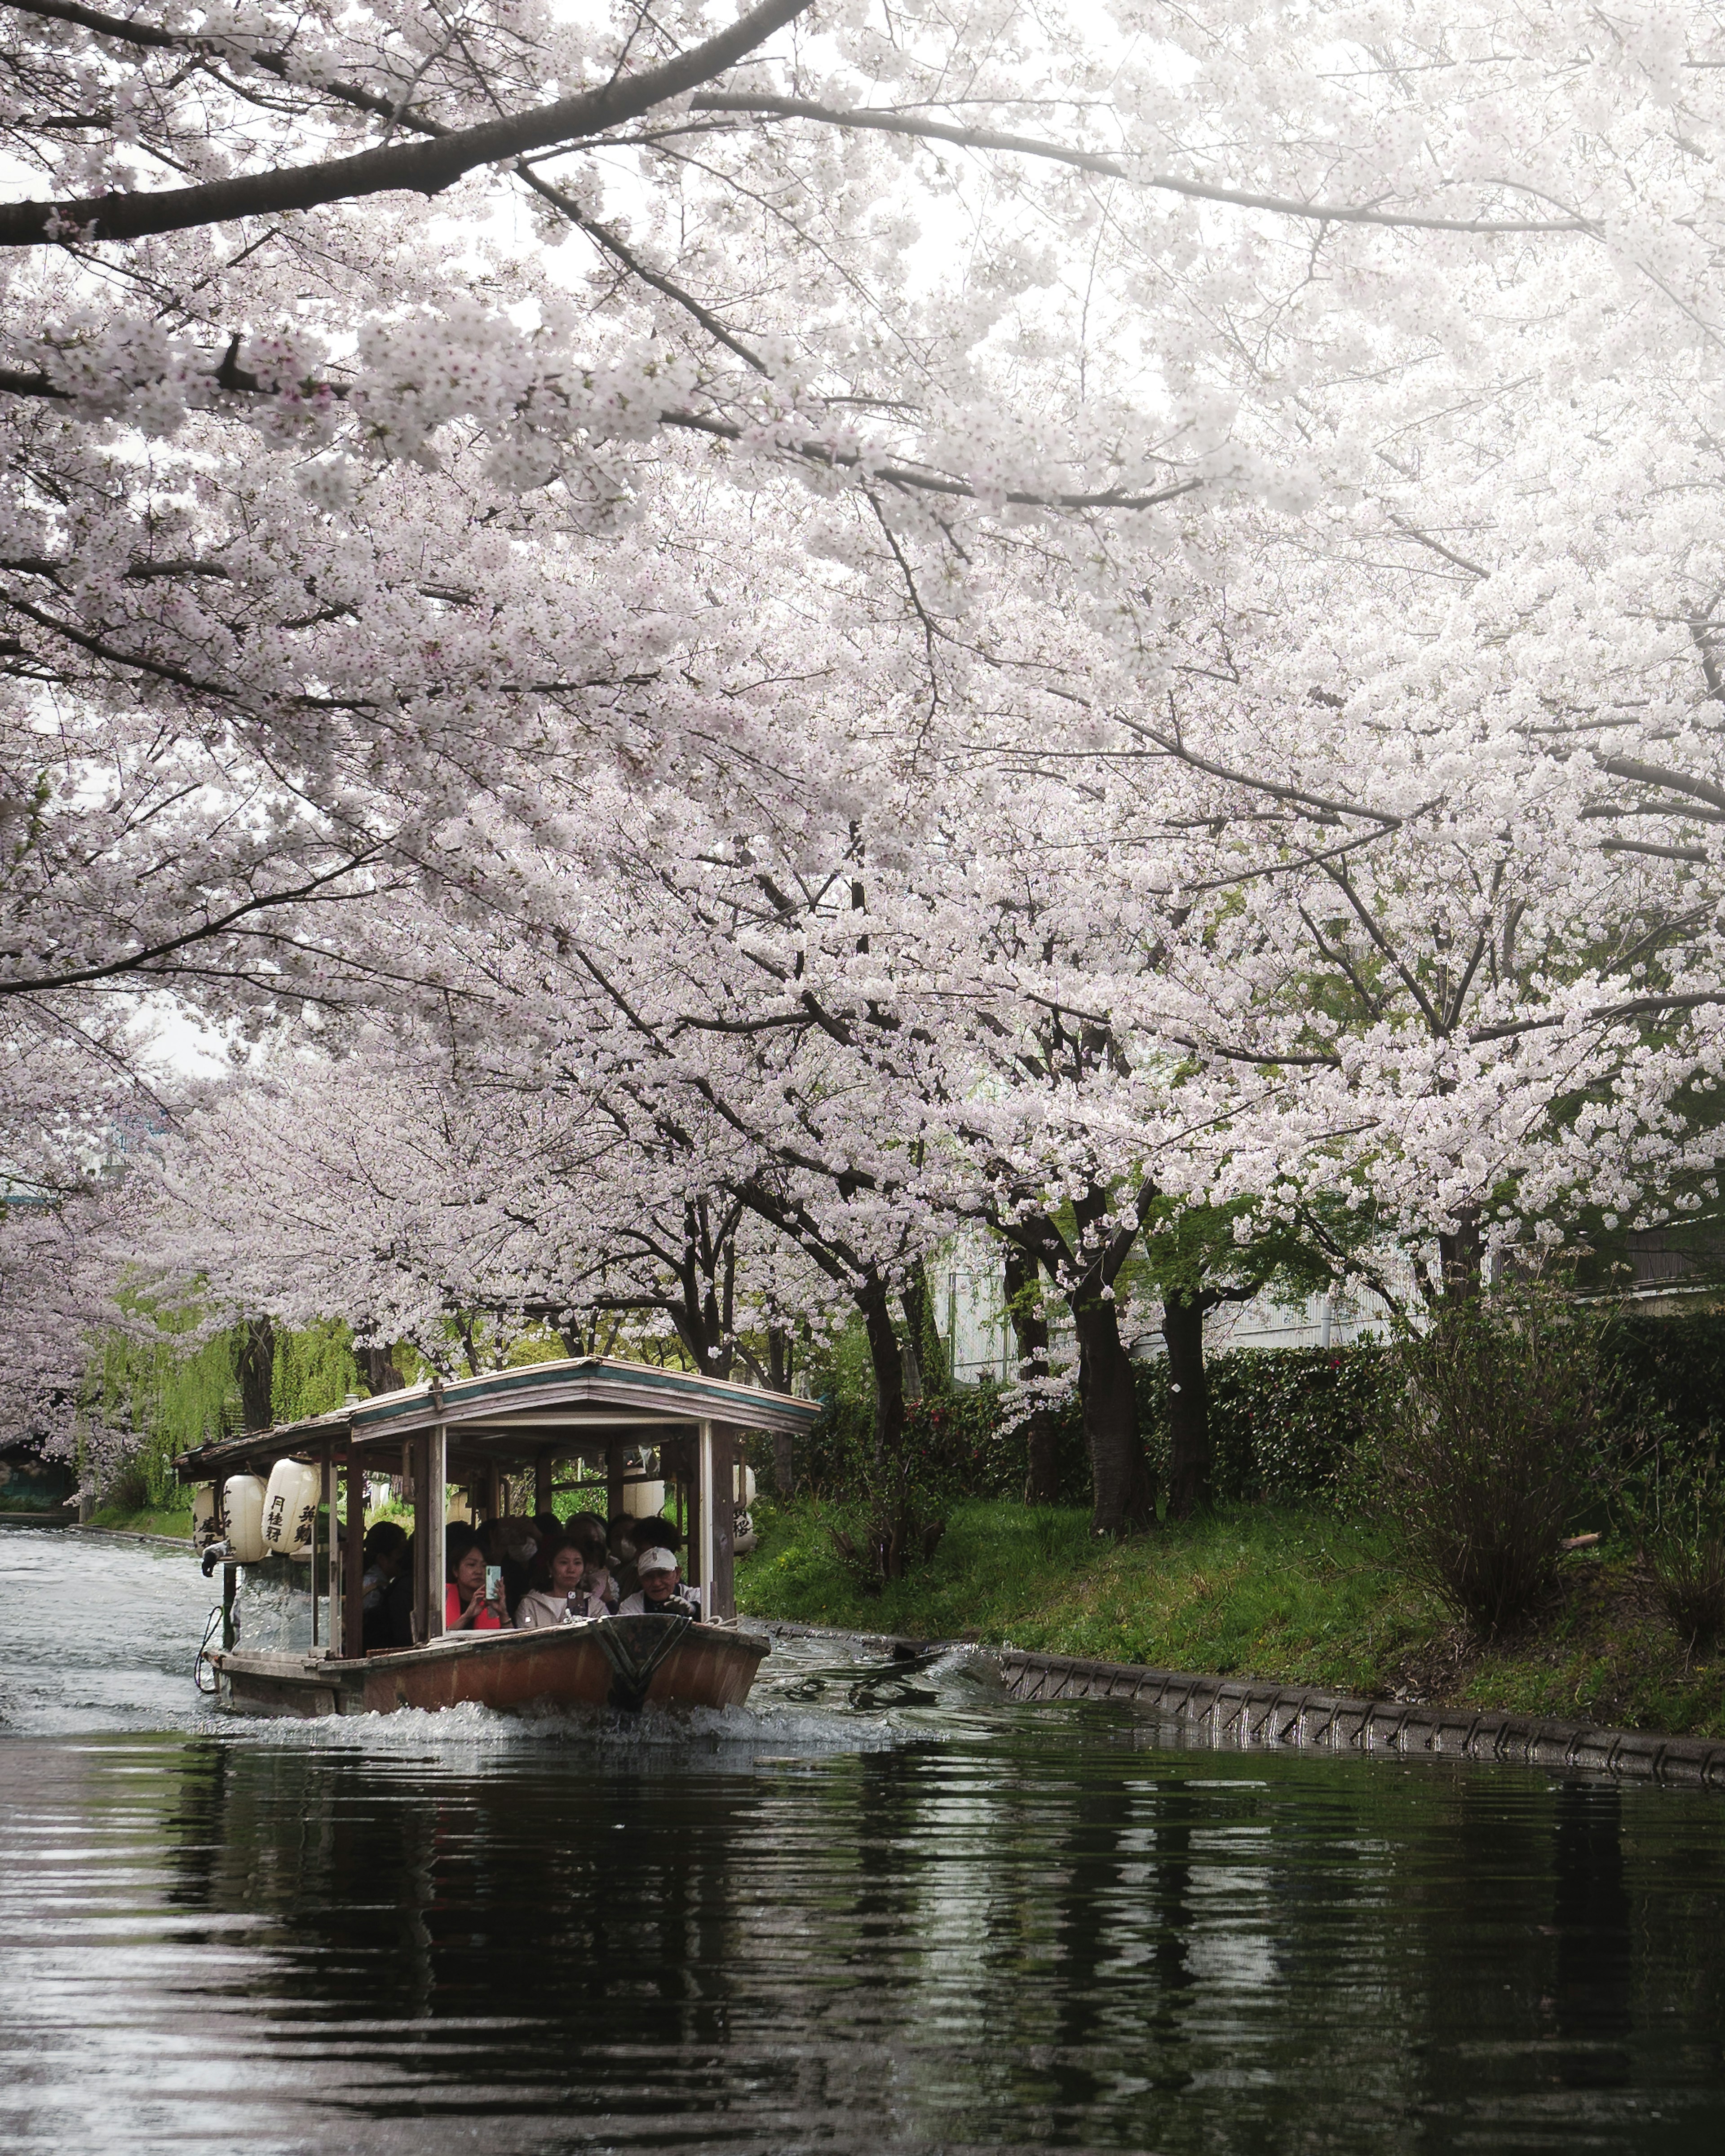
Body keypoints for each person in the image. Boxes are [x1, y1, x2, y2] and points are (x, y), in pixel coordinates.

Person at [514, 1536, 610, 1627]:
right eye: (564, 1563)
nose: (571, 1570)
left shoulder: (594, 1605)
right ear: (551, 1567)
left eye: (577, 1563)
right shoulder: (531, 1604)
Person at [445, 1528, 509, 1631]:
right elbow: (437, 1642)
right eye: (471, 1565)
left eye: (484, 1566)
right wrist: (467, 1616)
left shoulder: (496, 1597)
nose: (479, 1571)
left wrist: (504, 1614)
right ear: (455, 1571)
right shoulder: (443, 1597)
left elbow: (513, 1644)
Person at [360, 1520, 408, 1652]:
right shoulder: (374, 1590)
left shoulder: (377, 1583)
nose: (404, 1558)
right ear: (382, 1558)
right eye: (400, 1552)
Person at [616, 1547, 701, 1619]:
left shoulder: (697, 1595)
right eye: (649, 1576)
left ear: (677, 1574)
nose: (656, 1583)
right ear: (640, 1579)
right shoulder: (631, 1605)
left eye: (663, 1574)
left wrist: (693, 1610)